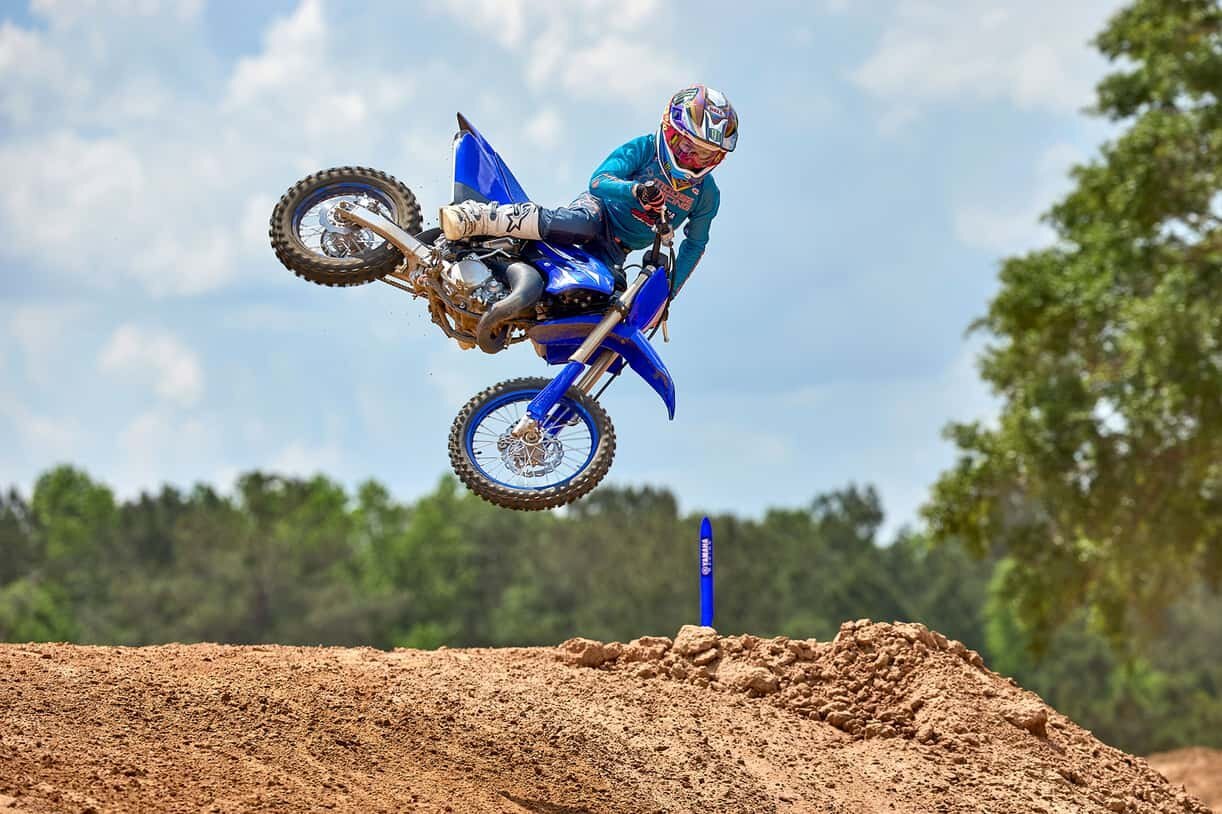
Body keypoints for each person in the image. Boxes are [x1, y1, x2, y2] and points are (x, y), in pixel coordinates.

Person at [438, 84, 737, 297]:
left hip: (616, 250)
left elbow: (695, 244)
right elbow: (598, 181)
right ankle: (479, 217)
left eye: (704, 155)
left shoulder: (706, 195)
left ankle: (501, 299)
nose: (691, 158)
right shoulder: (644, 148)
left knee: (605, 295)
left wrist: (667, 292)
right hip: (597, 212)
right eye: (686, 146)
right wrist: (634, 191)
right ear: (669, 131)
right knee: (579, 225)